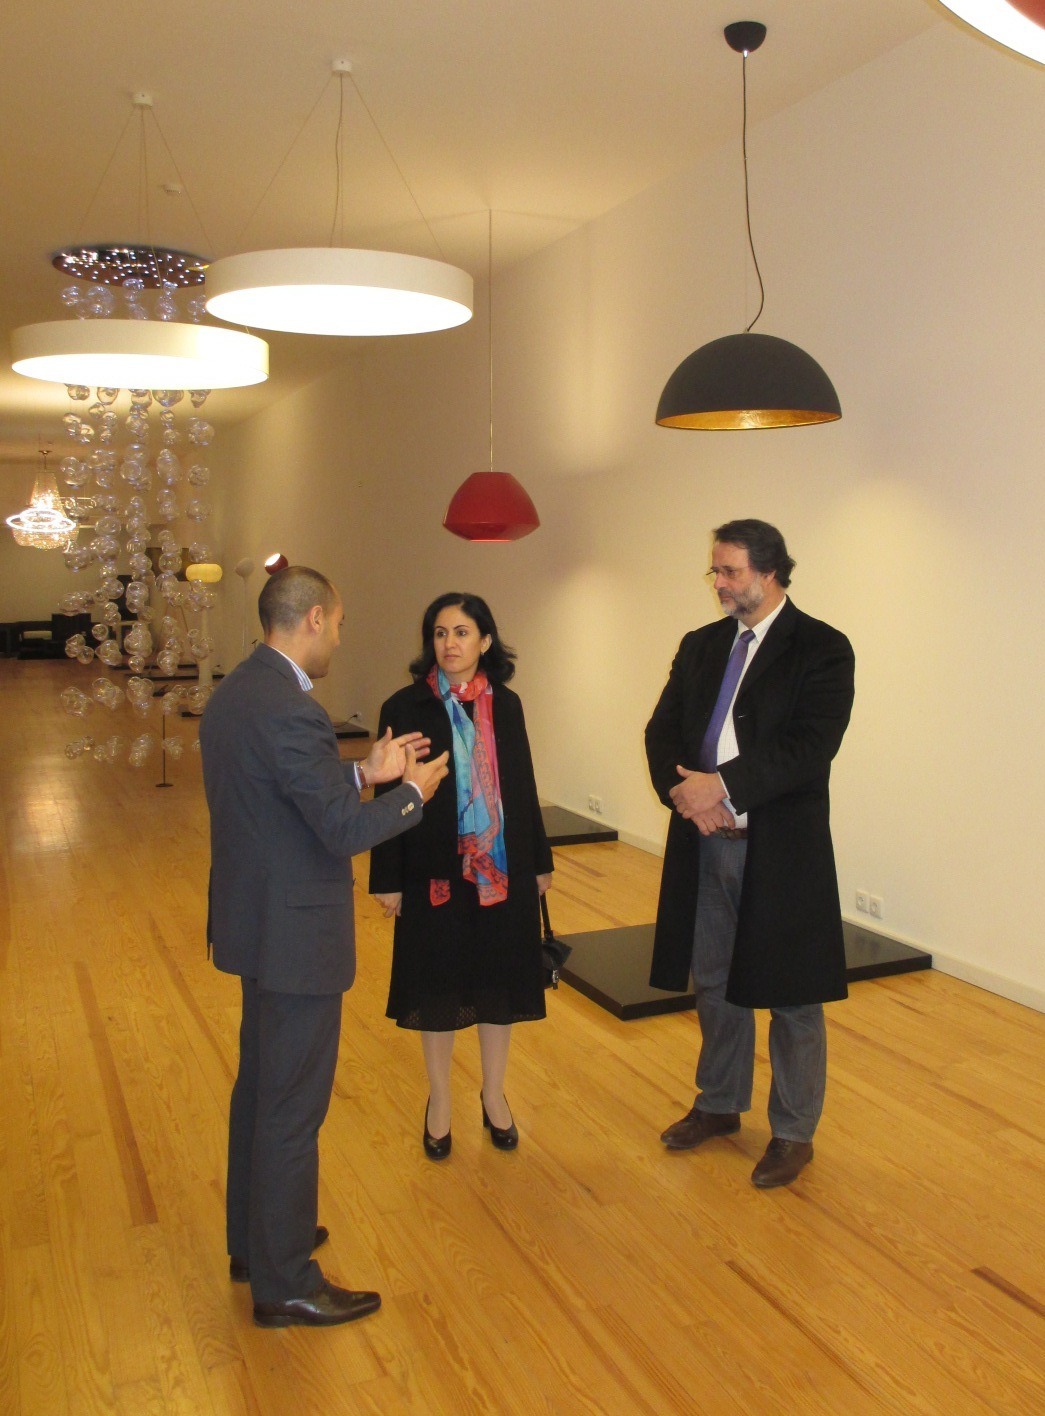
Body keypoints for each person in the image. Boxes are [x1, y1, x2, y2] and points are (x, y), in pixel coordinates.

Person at [199, 565, 448, 1327]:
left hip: (254, 921)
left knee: (261, 1088)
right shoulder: (293, 710)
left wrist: (363, 771)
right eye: (337, 624)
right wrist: (411, 795)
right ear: (312, 618)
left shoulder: (241, 691)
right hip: (295, 934)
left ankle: (256, 1242)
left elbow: (287, 786)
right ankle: (285, 1283)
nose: (339, 637)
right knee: (291, 1108)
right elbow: (338, 831)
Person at [645, 520, 854, 1189]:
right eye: (716, 571)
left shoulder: (822, 648)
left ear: (768, 573)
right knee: (712, 982)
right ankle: (718, 1103)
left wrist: (723, 787)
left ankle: (793, 1132)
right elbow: (661, 731)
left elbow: (808, 747)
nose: (719, 583)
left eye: (729, 571)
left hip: (780, 851)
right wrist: (688, 797)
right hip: (707, 842)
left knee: (793, 995)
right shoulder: (701, 645)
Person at [369, 592, 552, 1160]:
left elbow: (522, 784)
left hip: (501, 870)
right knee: (438, 986)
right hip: (433, 870)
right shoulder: (405, 706)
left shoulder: (507, 705)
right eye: (441, 633)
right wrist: (387, 877)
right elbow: (388, 795)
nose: (450, 643)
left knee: (498, 983)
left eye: (462, 632)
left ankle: (494, 1095)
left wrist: (539, 863)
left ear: (485, 641)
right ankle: (441, 1099)